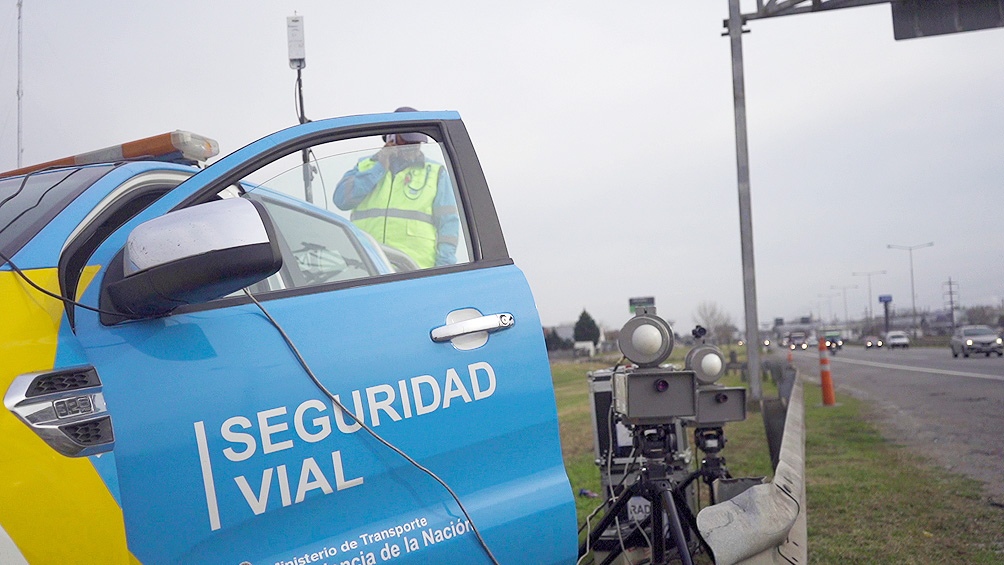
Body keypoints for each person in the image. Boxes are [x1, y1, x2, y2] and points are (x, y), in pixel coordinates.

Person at [333, 107, 459, 269]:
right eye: (406, 140)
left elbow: (448, 224)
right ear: (391, 137)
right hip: (367, 267)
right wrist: (378, 168)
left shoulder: (435, 172)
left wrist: (444, 268)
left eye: (416, 142)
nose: (412, 146)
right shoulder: (365, 166)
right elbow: (341, 200)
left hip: (414, 270)